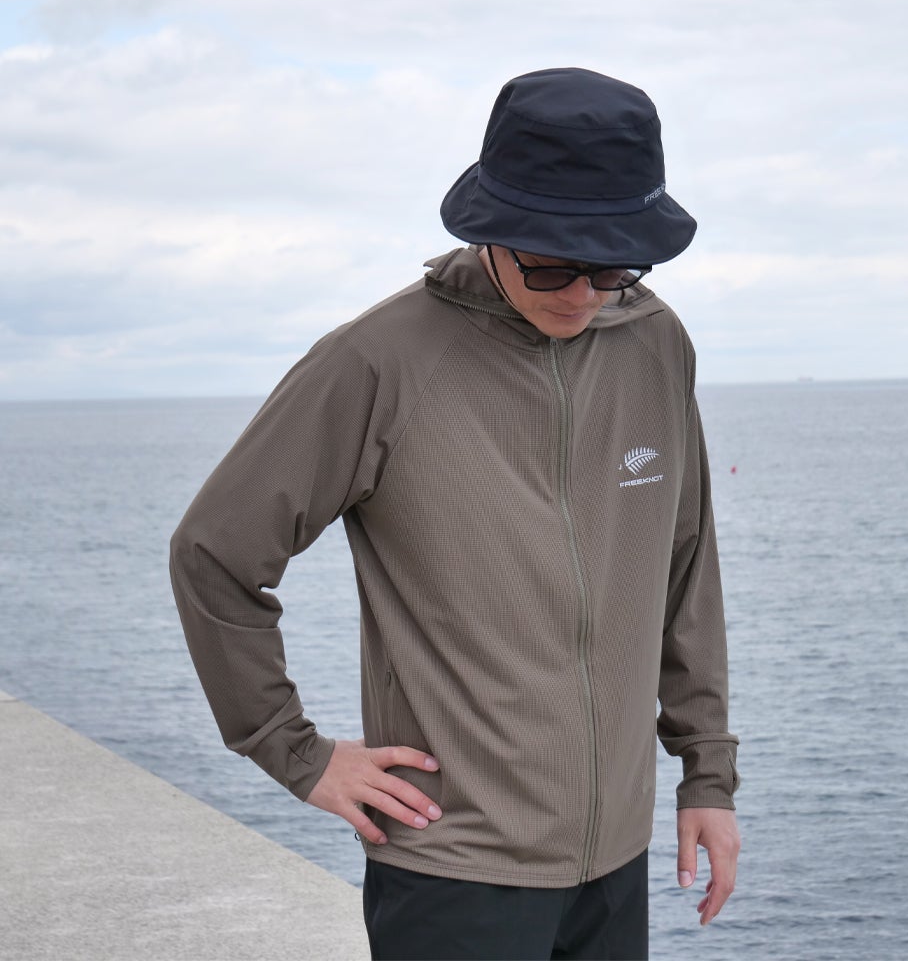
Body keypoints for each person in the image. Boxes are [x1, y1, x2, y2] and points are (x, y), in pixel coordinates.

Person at [170, 66, 740, 960]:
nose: (581, 293)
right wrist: (293, 750)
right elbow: (215, 554)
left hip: (615, 861)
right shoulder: (377, 361)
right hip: (455, 869)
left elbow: (683, 563)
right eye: (550, 262)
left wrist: (707, 774)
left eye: (612, 264)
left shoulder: (655, 342)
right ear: (490, 230)